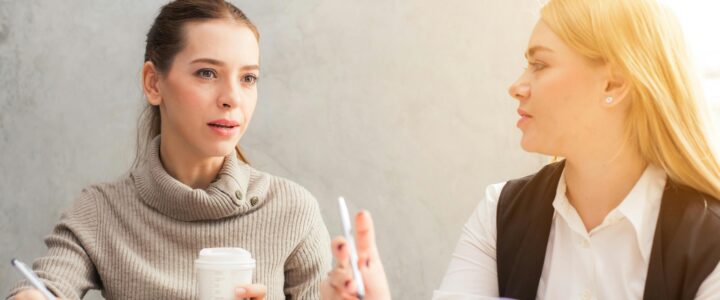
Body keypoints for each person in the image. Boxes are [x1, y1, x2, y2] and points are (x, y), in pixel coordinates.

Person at [320, 0, 720, 299]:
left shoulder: (709, 240)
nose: (517, 85)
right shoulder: (501, 211)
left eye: (540, 65)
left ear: (613, 85)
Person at [8, 1, 330, 299]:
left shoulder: (293, 212)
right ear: (153, 83)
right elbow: (43, 287)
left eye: (248, 78)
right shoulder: (100, 212)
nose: (232, 97)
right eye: (207, 73)